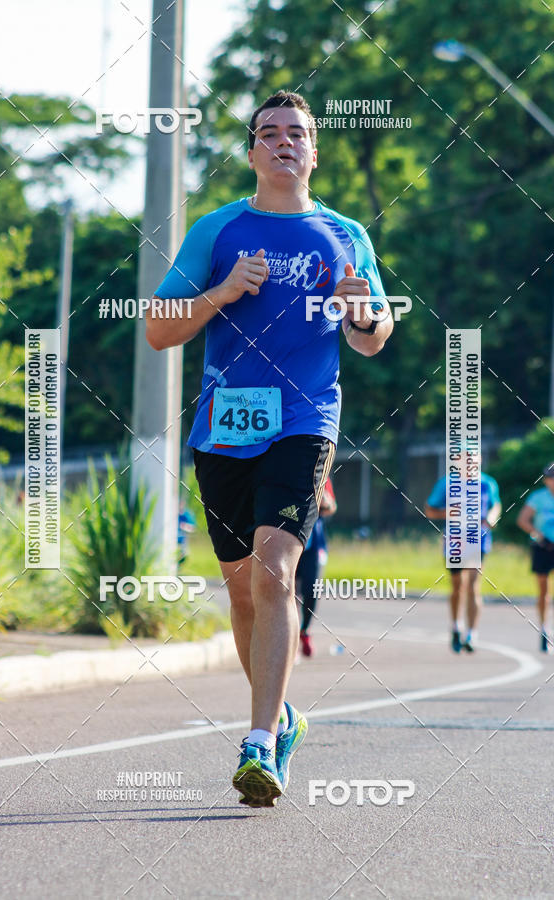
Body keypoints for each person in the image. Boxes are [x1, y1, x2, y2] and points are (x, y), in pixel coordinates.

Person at [145, 90, 393, 807]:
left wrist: (362, 313)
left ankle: (257, 743)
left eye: (298, 134)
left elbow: (372, 338)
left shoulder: (346, 234)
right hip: (224, 427)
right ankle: (282, 717)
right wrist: (223, 291)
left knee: (275, 570)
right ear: (252, 151)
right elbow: (160, 330)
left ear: (314, 151)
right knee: (242, 590)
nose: (284, 143)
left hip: (304, 420)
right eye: (270, 133)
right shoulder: (218, 231)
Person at [425, 466, 501, 653]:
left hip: (478, 540)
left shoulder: (487, 482)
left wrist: (492, 517)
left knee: (474, 585)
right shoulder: (447, 483)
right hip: (455, 540)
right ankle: (456, 626)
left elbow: (496, 505)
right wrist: (449, 513)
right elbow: (430, 510)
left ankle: (472, 634)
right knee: (458, 586)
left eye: (474, 456)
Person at [516, 462, 554, 653]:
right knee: (543, 590)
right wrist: (538, 535)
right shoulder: (538, 498)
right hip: (544, 547)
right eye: (549, 478)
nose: (551, 481)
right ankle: (544, 627)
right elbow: (523, 520)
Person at [297, 477, 336, 657]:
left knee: (312, 590)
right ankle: (288, 638)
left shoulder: (322, 474)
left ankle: (304, 630)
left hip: (313, 542)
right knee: (287, 592)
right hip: (288, 536)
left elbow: (332, 506)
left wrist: (325, 502)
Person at [177, 501, 196, 568]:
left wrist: (184, 526)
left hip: (182, 541)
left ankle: (178, 568)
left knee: (183, 555)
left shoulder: (187, 515)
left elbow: (192, 528)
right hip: (172, 540)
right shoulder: (172, 513)